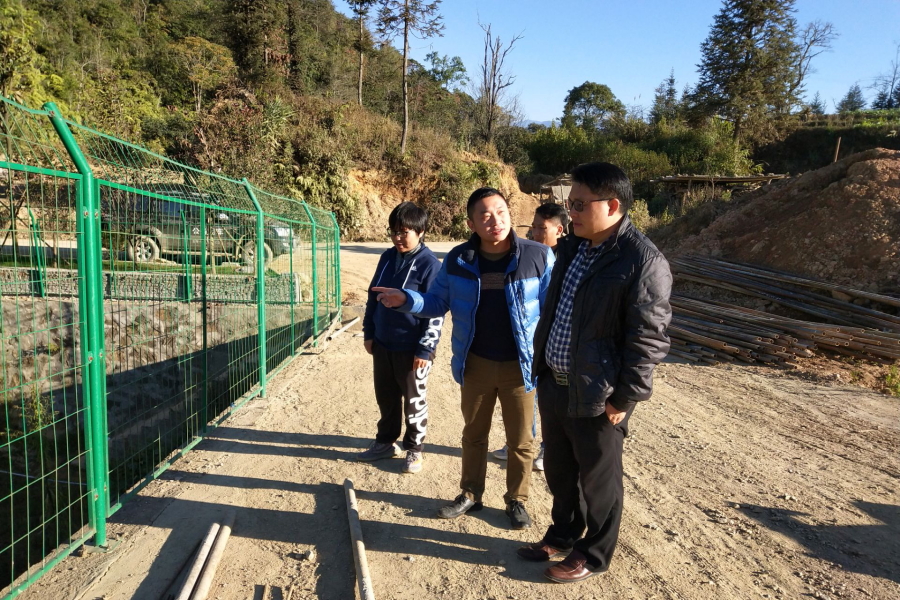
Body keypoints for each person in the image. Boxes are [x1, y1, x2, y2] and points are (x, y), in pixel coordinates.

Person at [517, 162, 672, 583]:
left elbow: (649, 339)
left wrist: (625, 397)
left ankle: (594, 554)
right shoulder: (573, 247)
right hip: (556, 383)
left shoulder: (642, 261)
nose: (572, 212)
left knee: (599, 482)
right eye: (571, 204)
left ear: (613, 205)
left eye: (581, 205)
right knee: (560, 472)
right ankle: (563, 535)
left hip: (599, 393)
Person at [373, 187, 555, 530]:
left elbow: (553, 310)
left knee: (521, 440)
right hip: (476, 363)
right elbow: (436, 302)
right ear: (471, 223)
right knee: (473, 434)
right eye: (484, 215)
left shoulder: (538, 256)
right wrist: (408, 299)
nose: (495, 220)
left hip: (520, 365)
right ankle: (471, 493)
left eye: (500, 212)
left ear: (510, 214)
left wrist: (550, 359)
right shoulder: (459, 259)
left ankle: (517, 500)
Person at [359, 202, 444, 475]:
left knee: (413, 401)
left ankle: (414, 448)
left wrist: (426, 349)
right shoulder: (387, 257)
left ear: (420, 231)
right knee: (386, 398)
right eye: (394, 231)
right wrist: (369, 332)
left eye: (404, 232)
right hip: (383, 342)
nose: (397, 237)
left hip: (412, 348)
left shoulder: (430, 265)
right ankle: (385, 442)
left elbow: (436, 310)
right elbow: (373, 295)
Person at [492, 201, 569, 471]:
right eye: (533, 227)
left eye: (542, 228)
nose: (535, 233)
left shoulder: (569, 259)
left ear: (559, 230)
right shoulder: (526, 254)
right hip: (527, 341)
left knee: (548, 399)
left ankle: (549, 448)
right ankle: (520, 441)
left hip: (554, 342)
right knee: (526, 394)